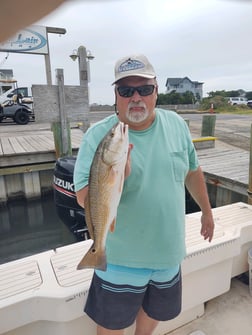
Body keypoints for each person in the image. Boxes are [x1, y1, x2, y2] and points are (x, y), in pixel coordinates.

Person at [73, 54, 215, 335]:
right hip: (119, 260)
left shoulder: (176, 125)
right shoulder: (100, 136)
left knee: (152, 317)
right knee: (112, 327)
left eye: (144, 89)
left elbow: (192, 171)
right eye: (126, 90)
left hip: (168, 254)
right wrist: (117, 176)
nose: (135, 97)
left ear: (156, 92)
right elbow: (83, 197)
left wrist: (207, 213)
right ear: (116, 95)